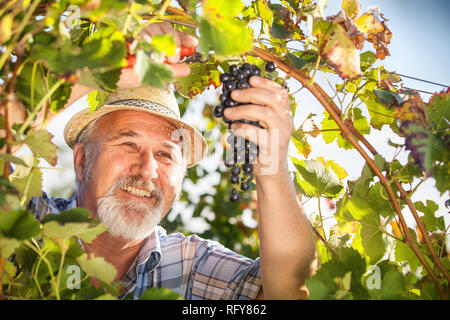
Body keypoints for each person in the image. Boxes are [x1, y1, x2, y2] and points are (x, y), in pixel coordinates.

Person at [8, 22, 317, 300]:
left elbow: (290, 293)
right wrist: (91, 73)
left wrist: (271, 169)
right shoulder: (26, 228)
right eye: (128, 144)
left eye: (165, 154)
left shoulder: (191, 265)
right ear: (81, 160)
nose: (147, 169)